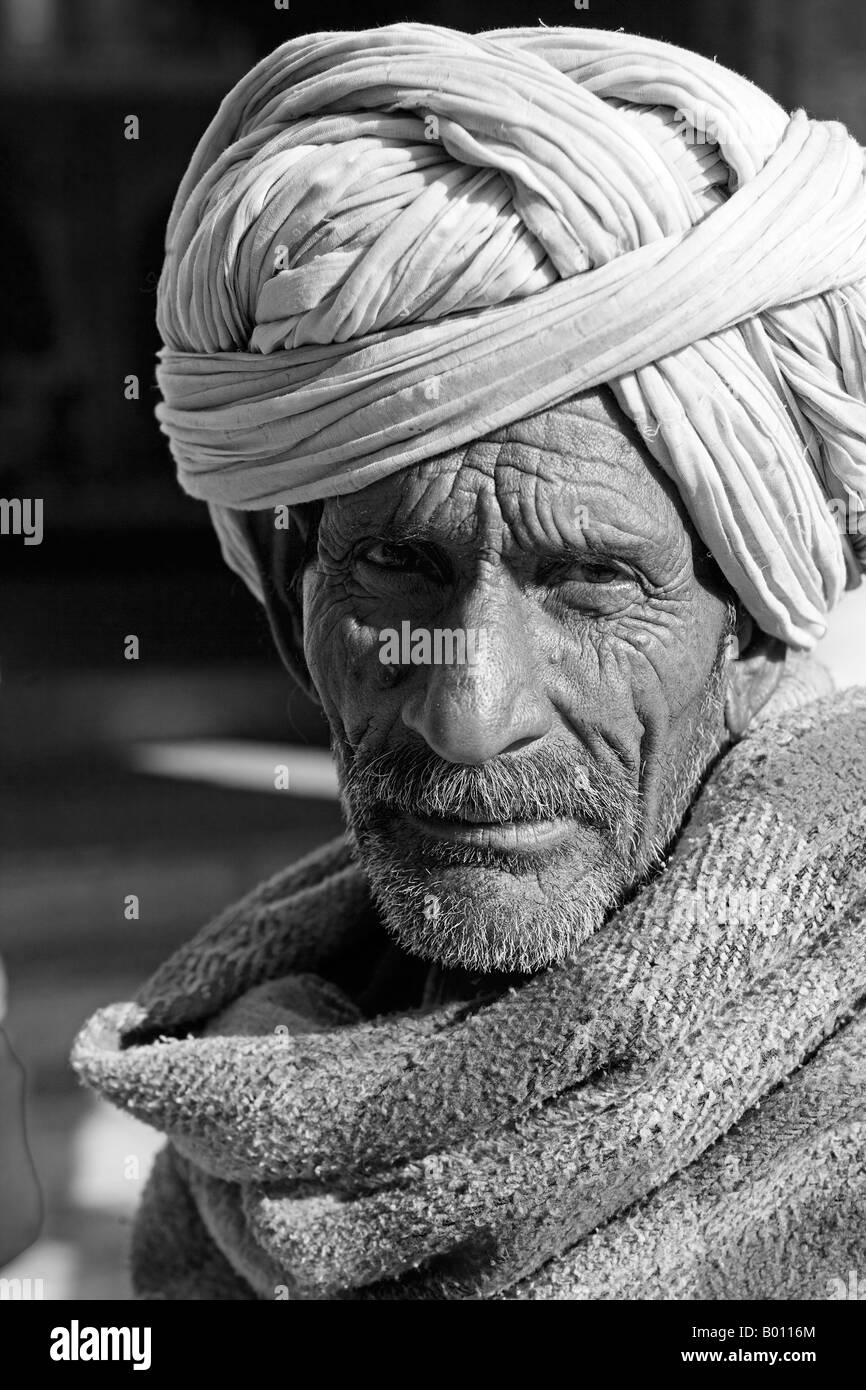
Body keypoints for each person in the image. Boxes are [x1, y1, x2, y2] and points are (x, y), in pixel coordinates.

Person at [74, 24, 866, 1300]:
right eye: (396, 570)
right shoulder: (229, 1147)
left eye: (591, 584)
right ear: (292, 612)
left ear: (757, 625)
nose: (468, 714)